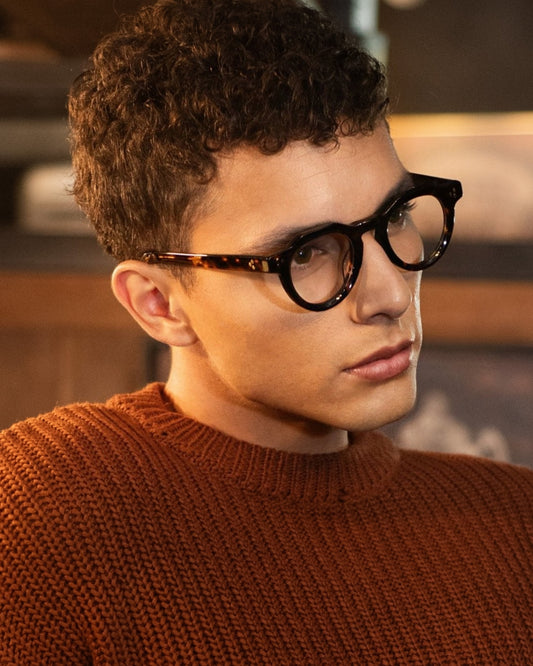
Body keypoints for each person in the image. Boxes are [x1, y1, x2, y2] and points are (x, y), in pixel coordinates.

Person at [1, 0, 532, 662]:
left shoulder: (512, 523)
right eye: (306, 253)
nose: (390, 294)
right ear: (158, 304)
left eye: (395, 216)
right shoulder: (39, 516)